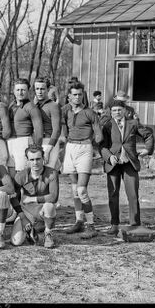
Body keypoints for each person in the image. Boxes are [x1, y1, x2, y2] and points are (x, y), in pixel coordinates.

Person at [100, 100, 154, 234]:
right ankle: (114, 225)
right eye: (114, 111)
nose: (117, 113)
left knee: (133, 194)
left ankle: (135, 224)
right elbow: (102, 146)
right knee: (113, 195)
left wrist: (148, 150)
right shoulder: (107, 126)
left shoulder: (133, 123)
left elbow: (148, 135)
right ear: (110, 112)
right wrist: (108, 156)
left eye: (119, 110)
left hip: (130, 163)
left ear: (124, 110)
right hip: (113, 164)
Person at [61, 81, 103, 239]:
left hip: (85, 149)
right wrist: (63, 135)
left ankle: (91, 225)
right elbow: (61, 123)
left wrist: (97, 140)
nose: (77, 97)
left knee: (82, 190)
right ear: (69, 96)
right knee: (74, 190)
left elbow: (98, 133)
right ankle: (79, 221)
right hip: (70, 148)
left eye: (80, 94)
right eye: (74, 94)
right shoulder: (65, 110)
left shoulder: (90, 112)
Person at [9, 144, 58, 248]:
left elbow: (54, 197)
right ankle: (33, 228)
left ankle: (48, 233)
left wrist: (32, 199)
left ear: (43, 158)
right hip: (27, 211)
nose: (35, 162)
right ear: (27, 160)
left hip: (43, 210)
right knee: (16, 241)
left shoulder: (52, 173)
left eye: (38, 159)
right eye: (32, 159)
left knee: (50, 206)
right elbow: (14, 199)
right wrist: (22, 216)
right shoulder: (20, 176)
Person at [7, 78, 43, 175]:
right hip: (10, 142)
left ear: (28, 91)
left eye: (23, 90)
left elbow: (39, 132)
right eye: (18, 90)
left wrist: (36, 149)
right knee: (11, 173)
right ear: (14, 91)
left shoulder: (31, 107)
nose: (20, 92)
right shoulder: (11, 106)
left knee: (22, 173)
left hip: (23, 141)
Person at [33, 77, 61, 170]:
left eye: (42, 89)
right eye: (37, 89)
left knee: (50, 173)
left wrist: (48, 150)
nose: (40, 91)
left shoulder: (53, 106)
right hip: (36, 142)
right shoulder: (34, 106)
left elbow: (57, 130)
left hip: (48, 141)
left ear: (48, 90)